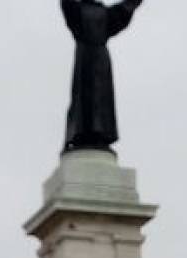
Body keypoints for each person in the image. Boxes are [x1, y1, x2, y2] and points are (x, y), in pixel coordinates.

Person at [60, 0, 144, 152]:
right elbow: (68, 6)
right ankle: (81, 134)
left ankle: (100, 133)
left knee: (101, 98)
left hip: (99, 59)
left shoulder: (106, 13)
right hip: (84, 58)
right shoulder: (79, 10)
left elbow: (124, 10)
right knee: (83, 98)